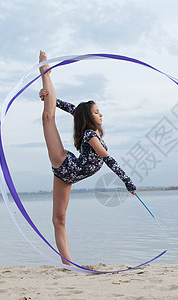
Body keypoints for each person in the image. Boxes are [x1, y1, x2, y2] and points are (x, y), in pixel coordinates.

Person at [38, 50, 136, 265]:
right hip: (65, 163)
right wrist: (127, 181)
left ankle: (67, 264)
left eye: (100, 111)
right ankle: (44, 70)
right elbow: (109, 159)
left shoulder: (93, 133)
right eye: (97, 111)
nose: (101, 114)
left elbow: (68, 107)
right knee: (48, 116)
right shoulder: (91, 135)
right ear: (89, 117)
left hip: (68, 176)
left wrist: (53, 99)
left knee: (59, 219)